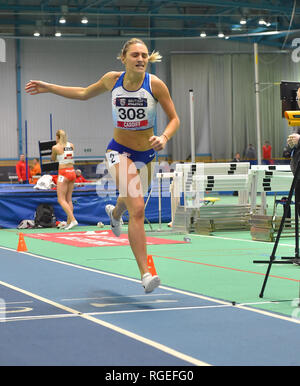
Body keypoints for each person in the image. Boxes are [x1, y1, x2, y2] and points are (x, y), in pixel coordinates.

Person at [25, 38, 180, 293]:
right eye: (135, 55)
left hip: (147, 154)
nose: (140, 59)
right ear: (123, 58)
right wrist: (50, 87)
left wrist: (164, 137)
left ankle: (115, 214)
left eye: (143, 55)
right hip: (118, 151)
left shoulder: (156, 85)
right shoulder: (112, 80)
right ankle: (145, 274)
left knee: (128, 201)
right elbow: (84, 93)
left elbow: (175, 119)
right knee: (138, 208)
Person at [51, 129, 78, 230]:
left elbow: (53, 159)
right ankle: (69, 223)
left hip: (63, 174)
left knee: (61, 199)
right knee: (68, 199)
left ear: (57, 137)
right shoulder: (71, 145)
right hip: (72, 172)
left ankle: (73, 220)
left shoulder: (55, 147)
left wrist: (55, 153)